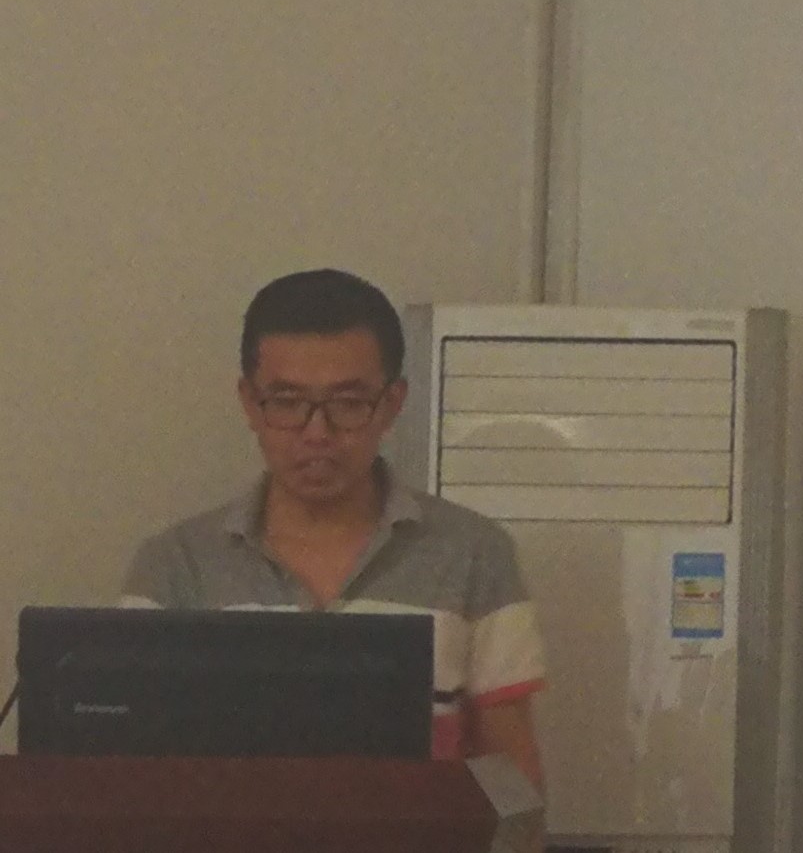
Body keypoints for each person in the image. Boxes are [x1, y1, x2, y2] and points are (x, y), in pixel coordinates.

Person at [120, 269, 545, 790]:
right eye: (287, 402)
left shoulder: (474, 554)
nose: (317, 432)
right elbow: (130, 775)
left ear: (391, 404)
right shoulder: (174, 567)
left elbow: (512, 781)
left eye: (348, 404)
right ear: (250, 403)